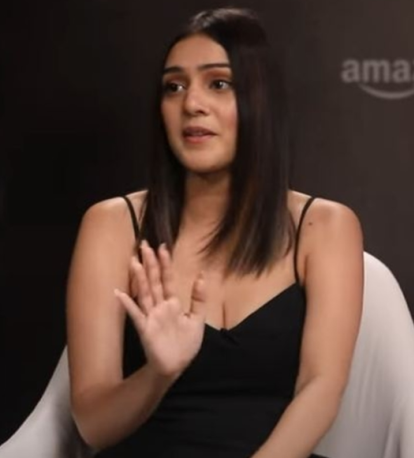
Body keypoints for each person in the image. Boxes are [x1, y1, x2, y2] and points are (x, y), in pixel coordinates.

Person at [66, 8, 363, 458]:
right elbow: (93, 426)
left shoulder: (325, 227)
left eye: (218, 84)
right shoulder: (111, 225)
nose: (192, 104)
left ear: (260, 99)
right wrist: (159, 373)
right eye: (174, 86)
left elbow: (320, 388)